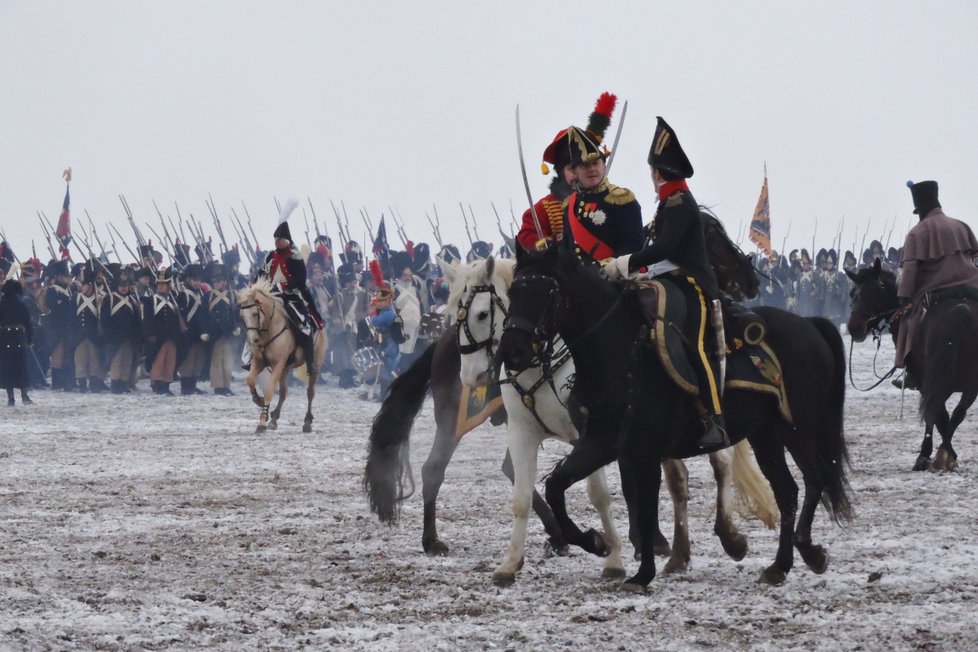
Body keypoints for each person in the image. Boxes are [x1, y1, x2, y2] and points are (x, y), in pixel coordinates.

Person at [602, 116, 726, 448]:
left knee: (696, 346)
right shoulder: (668, 202)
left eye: (652, 172)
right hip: (669, 281)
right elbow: (655, 250)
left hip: (693, 285)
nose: (652, 177)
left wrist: (626, 263)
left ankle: (715, 419)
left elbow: (667, 249)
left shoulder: (680, 202)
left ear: (659, 173)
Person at [892, 180, 978, 388]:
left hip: (937, 291)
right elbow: (975, 252)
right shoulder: (961, 225)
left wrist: (904, 298)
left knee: (907, 324)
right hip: (972, 288)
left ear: (920, 207)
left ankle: (911, 373)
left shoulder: (916, 233)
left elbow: (910, 271)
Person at [558, 93, 644, 261]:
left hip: (615, 277)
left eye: (596, 163)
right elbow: (567, 250)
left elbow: (633, 243)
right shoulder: (570, 206)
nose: (592, 169)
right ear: (575, 171)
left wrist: (610, 267)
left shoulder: (621, 198)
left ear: (604, 165)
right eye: (585, 165)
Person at [259, 202, 324, 360]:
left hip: (292, 295)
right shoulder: (270, 256)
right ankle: (251, 356)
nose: (276, 242)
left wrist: (284, 286)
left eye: (279, 239)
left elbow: (300, 280)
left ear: (286, 240)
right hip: (271, 294)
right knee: (254, 320)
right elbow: (262, 273)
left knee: (303, 324)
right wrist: (256, 285)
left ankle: (307, 361)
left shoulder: (295, 257)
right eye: (275, 239)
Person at [100, 267, 142, 393]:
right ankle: (116, 383)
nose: (124, 288)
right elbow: (105, 318)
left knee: (127, 361)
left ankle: (124, 383)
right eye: (121, 285)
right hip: (115, 336)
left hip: (129, 337)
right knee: (116, 361)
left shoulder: (132, 300)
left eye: (126, 285)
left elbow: (136, 320)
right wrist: (108, 334)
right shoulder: (110, 299)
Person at [143, 268, 185, 396]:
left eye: (164, 285)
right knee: (158, 361)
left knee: (170, 361)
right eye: (159, 285)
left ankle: (166, 383)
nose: (161, 287)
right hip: (158, 337)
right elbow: (148, 319)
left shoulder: (174, 300)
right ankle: (157, 383)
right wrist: (150, 334)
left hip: (172, 336)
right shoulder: (151, 301)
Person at [204, 263, 240, 396]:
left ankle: (226, 385)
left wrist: (236, 327)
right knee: (217, 360)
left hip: (228, 332)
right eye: (215, 281)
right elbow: (204, 315)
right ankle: (218, 386)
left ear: (224, 282)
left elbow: (236, 313)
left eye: (219, 281)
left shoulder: (232, 295)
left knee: (228, 360)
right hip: (215, 332)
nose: (216, 284)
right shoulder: (208, 296)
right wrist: (205, 331)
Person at [0, 278, 33, 405]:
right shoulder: (21, 304)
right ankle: (24, 396)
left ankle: (11, 398)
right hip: (19, 338)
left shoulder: (1, 304)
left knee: (7, 368)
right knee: (20, 367)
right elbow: (28, 324)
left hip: (4, 339)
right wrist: (29, 339)